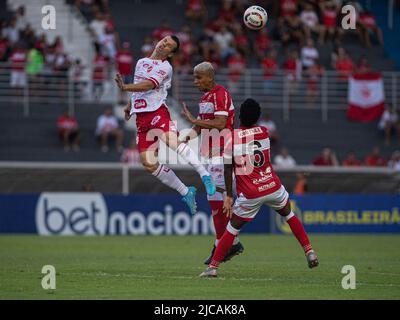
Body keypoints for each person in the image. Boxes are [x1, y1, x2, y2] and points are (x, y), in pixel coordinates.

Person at [199, 98, 318, 277]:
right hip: (272, 186)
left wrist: (230, 196)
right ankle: (309, 251)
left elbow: (228, 167)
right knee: (289, 214)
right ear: (258, 118)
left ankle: (213, 268)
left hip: (251, 192)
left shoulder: (233, 137)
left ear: (240, 116)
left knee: (232, 229)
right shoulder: (264, 131)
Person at [114, 35, 216, 215]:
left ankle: (204, 174)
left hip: (157, 112)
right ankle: (186, 191)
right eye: (165, 40)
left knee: (171, 141)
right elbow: (139, 87)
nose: (164, 44)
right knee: (149, 163)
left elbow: (147, 85)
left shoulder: (165, 67)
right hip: (141, 118)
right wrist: (130, 106)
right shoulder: (141, 62)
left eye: (169, 45)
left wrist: (125, 87)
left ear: (170, 54)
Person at [181, 61, 244, 265]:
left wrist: (195, 120)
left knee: (218, 201)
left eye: (198, 77)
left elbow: (221, 123)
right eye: (194, 77)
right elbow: (200, 125)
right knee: (214, 201)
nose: (195, 81)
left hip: (222, 152)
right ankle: (227, 243)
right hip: (209, 154)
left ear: (210, 77)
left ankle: (223, 244)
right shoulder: (204, 98)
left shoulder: (221, 94)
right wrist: (185, 138)